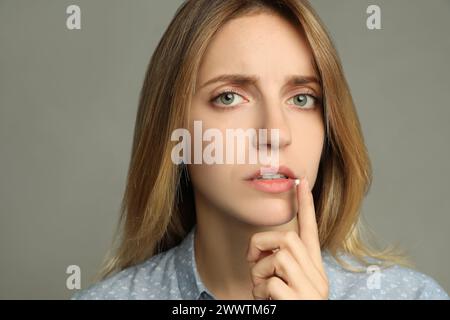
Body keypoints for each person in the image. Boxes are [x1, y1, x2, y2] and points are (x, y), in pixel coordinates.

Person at [72, 0, 449, 300]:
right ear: (175, 133)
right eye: (230, 96)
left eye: (302, 98)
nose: (275, 132)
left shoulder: (413, 296)